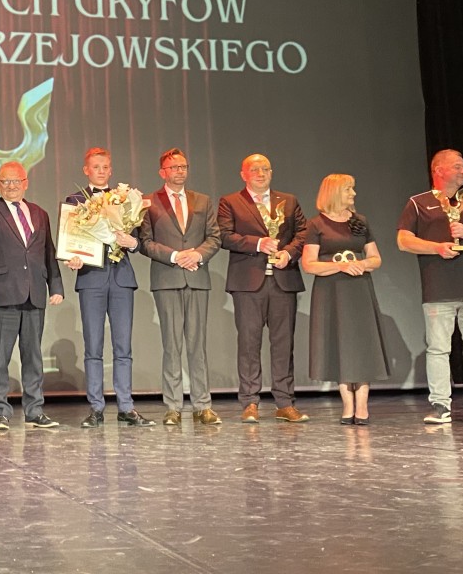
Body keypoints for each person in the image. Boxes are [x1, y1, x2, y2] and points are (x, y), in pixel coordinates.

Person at [397, 149, 463, 424]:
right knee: (438, 349)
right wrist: (436, 248)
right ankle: (440, 405)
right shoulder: (418, 203)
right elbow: (403, 241)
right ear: (439, 170)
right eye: (457, 166)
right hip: (438, 289)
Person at [0, 161, 65, 430]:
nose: (10, 186)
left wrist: (56, 286)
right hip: (1, 293)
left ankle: (35, 410)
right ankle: (0, 410)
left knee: (33, 356)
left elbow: (48, 252)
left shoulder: (39, 213)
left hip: (34, 293)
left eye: (15, 181)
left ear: (25, 183)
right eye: (5, 181)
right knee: (0, 357)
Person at [65, 148, 154, 427]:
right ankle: (96, 408)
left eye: (105, 167)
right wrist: (73, 257)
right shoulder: (75, 201)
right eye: (96, 166)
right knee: (93, 347)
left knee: (123, 347)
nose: (101, 171)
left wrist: (132, 243)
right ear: (86, 170)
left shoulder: (126, 200)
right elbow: (70, 240)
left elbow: (140, 239)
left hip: (121, 278)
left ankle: (126, 406)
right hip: (91, 278)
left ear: (111, 170)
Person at [217, 153, 309, 423]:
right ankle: (250, 402)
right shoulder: (231, 202)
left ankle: (285, 402)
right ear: (243, 174)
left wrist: (288, 253)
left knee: (283, 343)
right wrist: (258, 243)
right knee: (249, 343)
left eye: (265, 169)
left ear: (271, 172)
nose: (260, 173)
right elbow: (224, 236)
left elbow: (304, 233)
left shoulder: (288, 201)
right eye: (254, 169)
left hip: (283, 280)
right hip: (248, 283)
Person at [139, 149, 222, 426]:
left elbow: (214, 237)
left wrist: (197, 254)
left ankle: (203, 405)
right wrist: (175, 256)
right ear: (162, 172)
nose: (179, 171)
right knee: (171, 345)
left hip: (197, 278)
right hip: (167, 278)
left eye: (183, 166)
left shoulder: (203, 200)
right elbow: (145, 242)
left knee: (197, 345)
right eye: (174, 167)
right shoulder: (149, 202)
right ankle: (173, 406)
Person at [300, 174, 389, 425]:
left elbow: (376, 258)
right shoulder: (316, 224)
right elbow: (309, 264)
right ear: (334, 192)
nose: (354, 194)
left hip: (359, 290)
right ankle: (347, 405)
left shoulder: (360, 221)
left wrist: (361, 264)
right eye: (349, 189)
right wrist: (340, 266)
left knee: (362, 345)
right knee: (339, 343)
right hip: (331, 292)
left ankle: (362, 405)